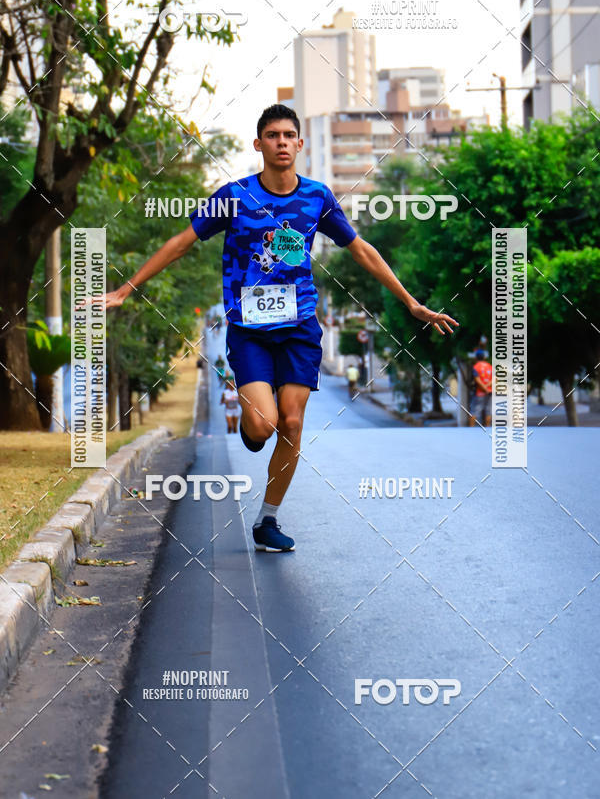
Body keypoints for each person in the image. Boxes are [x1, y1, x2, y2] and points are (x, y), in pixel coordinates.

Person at [92, 103, 458, 551]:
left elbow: (360, 250)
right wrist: (127, 288)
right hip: (249, 329)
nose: (282, 142)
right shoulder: (234, 197)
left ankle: (268, 519)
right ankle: (250, 428)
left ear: (300, 144)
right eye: (273, 135)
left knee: (292, 421)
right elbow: (182, 242)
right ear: (259, 143)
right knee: (264, 426)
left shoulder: (317, 198)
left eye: (289, 135)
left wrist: (411, 302)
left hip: (300, 327)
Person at [469, 348, 493, 427]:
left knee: (475, 411)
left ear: (476, 358)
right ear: (484, 357)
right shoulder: (490, 366)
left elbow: (477, 380)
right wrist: (487, 387)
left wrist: (484, 388)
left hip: (479, 392)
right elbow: (495, 379)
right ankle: (488, 428)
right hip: (490, 391)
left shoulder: (476, 367)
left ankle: (471, 430)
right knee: (488, 411)